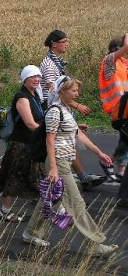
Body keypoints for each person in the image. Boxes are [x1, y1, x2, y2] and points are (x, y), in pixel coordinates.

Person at [23, 76, 119, 257]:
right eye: (74, 90)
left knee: (51, 200)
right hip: (58, 162)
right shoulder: (54, 112)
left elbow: (78, 136)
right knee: (77, 204)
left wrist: (98, 152)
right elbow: (49, 141)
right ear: (62, 91)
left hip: (65, 161)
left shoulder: (66, 110)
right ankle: (95, 245)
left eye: (77, 90)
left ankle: (31, 233)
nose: (77, 93)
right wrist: (53, 168)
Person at [40, 30, 105, 191]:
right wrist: (76, 105)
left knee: (70, 140)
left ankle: (82, 178)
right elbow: (55, 91)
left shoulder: (57, 62)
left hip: (61, 108)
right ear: (54, 44)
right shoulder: (49, 65)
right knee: (64, 142)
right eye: (64, 41)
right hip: (53, 110)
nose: (67, 44)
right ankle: (69, 181)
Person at [0, 65, 44, 222]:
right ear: (25, 79)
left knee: (37, 177)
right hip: (21, 145)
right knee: (15, 178)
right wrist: (49, 133)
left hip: (32, 143)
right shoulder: (22, 98)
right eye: (32, 77)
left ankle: (50, 208)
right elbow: (30, 123)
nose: (36, 79)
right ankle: (5, 211)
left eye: (38, 76)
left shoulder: (35, 95)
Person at [99, 34, 128, 184]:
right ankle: (109, 161)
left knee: (125, 138)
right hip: (118, 107)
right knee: (126, 137)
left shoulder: (124, 63)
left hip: (125, 107)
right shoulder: (109, 61)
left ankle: (120, 170)